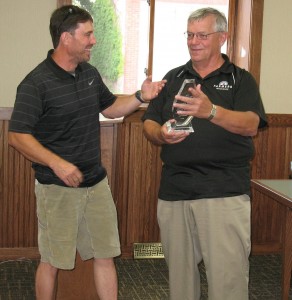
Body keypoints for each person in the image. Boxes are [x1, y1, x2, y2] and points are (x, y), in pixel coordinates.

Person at [8, 5, 166, 300]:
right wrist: (58, 165)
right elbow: (17, 136)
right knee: (52, 261)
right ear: (66, 38)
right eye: (88, 34)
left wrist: (141, 96)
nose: (94, 40)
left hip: (96, 185)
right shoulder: (36, 83)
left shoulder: (90, 74)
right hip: (57, 189)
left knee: (105, 255)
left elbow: (110, 108)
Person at [142, 7, 267, 300]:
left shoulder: (240, 79)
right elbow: (149, 121)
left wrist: (210, 111)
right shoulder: (174, 77)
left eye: (202, 35)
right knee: (180, 282)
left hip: (223, 192)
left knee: (228, 280)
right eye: (190, 35)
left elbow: (251, 125)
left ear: (222, 37)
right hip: (175, 191)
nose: (193, 41)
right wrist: (160, 133)